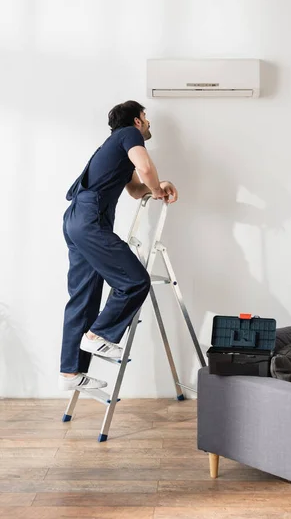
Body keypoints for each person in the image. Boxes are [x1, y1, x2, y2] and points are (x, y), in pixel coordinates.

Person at [59, 101, 178, 391]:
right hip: (90, 220)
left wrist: (157, 187)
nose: (149, 124)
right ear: (137, 120)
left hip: (76, 220)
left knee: (83, 296)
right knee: (135, 281)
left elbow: (136, 189)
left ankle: (70, 374)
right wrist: (156, 187)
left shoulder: (113, 147)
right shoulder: (129, 135)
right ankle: (98, 336)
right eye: (146, 119)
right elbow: (145, 165)